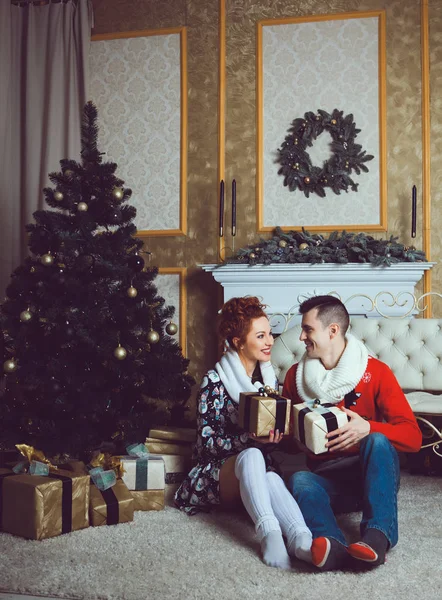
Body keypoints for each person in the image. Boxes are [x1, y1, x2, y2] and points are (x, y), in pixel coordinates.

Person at [282, 295, 422, 571]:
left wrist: (368, 427)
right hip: (329, 478)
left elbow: (414, 438)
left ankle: (377, 539)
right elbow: (290, 444)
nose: (301, 337)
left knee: (377, 440)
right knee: (299, 479)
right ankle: (331, 544)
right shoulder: (295, 377)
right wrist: (287, 437)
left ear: (332, 330)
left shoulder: (376, 372)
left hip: (373, 475)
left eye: (308, 329)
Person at [175, 296, 312, 569]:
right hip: (214, 473)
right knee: (251, 455)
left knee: (271, 478)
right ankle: (269, 533)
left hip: (258, 473)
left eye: (269, 334)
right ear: (238, 342)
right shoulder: (214, 382)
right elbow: (206, 445)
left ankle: (301, 539)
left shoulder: (267, 380)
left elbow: (271, 438)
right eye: (260, 336)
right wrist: (249, 439)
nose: (270, 341)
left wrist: (280, 437)